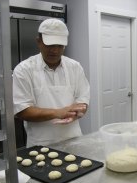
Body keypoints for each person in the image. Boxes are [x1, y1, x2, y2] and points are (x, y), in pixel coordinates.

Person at [13, 18, 90, 148]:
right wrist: (58, 112)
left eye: (59, 46)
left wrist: (77, 113)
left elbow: (83, 100)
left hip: (73, 139)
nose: (54, 50)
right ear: (39, 42)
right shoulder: (24, 69)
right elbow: (22, 111)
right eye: (50, 45)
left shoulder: (75, 67)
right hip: (40, 145)